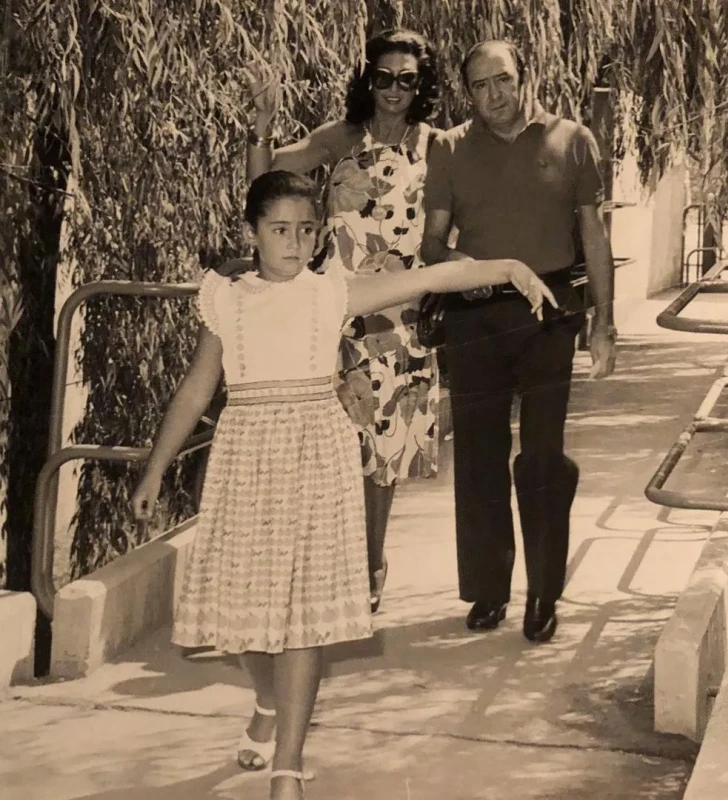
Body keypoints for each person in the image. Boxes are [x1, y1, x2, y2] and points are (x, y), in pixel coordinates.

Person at [131, 170, 555, 799]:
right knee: (246, 612)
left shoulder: (329, 292)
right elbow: (197, 388)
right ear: (252, 233)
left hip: (316, 455)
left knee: (302, 618)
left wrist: (512, 266)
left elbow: (431, 276)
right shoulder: (225, 298)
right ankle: (269, 702)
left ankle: (288, 765)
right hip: (246, 456)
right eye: (279, 230)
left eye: (306, 230)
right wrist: (156, 467)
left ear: (319, 234)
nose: (294, 243)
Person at [421, 39, 617, 644]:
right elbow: (430, 247)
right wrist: (475, 271)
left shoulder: (573, 140)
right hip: (475, 314)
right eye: (479, 86)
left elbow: (594, 236)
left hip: (551, 312)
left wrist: (604, 322)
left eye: (501, 80)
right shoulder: (449, 148)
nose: (493, 96)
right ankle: (487, 590)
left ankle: (543, 594)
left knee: (541, 457)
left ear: (523, 77)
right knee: (478, 455)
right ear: (468, 93)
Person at [244, 29, 441, 618]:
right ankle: (314, 567)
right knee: (323, 442)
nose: (394, 90)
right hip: (329, 312)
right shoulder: (340, 138)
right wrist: (261, 125)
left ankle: (370, 564)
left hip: (400, 316)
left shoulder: (439, 145)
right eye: (384, 76)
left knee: (381, 451)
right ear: (368, 78)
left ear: (420, 84)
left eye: (406, 79)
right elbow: (264, 183)